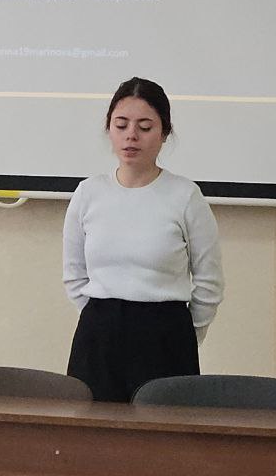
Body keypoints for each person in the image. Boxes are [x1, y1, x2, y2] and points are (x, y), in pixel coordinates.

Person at [62, 76, 224, 402]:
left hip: (166, 336)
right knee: (93, 430)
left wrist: (184, 333)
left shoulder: (185, 196)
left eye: (145, 127)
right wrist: (103, 318)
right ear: (109, 129)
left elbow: (209, 281)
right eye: (121, 125)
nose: (131, 135)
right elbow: (74, 274)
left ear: (164, 133)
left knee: (164, 429)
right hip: (98, 336)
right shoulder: (88, 193)